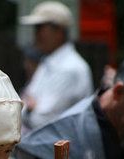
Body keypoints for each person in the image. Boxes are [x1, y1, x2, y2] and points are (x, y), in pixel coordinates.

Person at [19, 1, 93, 132]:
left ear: (59, 31)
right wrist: (29, 108)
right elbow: (25, 102)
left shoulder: (69, 68)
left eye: (40, 28)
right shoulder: (50, 61)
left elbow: (42, 120)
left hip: (59, 149)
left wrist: (29, 110)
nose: (36, 34)